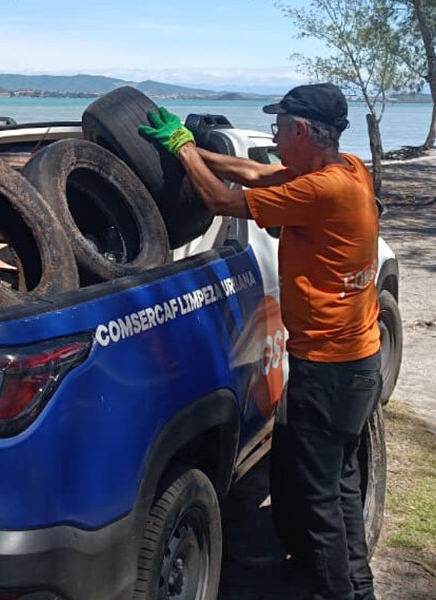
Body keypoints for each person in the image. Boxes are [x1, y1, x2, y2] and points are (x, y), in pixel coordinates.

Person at [139, 83, 382, 600]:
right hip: (354, 364)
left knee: (316, 499)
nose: (273, 136)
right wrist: (185, 146)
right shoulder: (346, 171)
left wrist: (184, 149)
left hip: (330, 372)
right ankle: (356, 587)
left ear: (300, 131)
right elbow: (252, 173)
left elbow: (221, 199)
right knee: (336, 486)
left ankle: (333, 592)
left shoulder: (321, 193)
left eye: (278, 127)